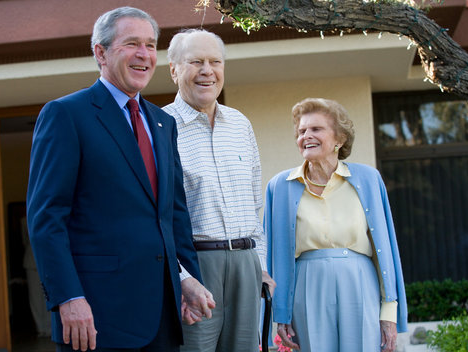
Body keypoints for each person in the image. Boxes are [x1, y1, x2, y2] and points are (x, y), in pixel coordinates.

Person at [26, 7, 215, 352]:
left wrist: (187, 280)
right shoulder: (66, 115)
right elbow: (46, 220)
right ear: (100, 52)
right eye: (131, 44)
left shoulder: (162, 123)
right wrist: (68, 297)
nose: (144, 54)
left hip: (161, 314)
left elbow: (173, 215)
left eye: (150, 45)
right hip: (95, 318)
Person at [264, 98, 408, 352]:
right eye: (301, 131)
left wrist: (389, 311)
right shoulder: (280, 186)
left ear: (339, 139)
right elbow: (272, 255)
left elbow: (385, 249)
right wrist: (281, 315)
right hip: (307, 284)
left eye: (316, 129)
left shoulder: (368, 179)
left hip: (360, 281)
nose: (306, 135)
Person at [162, 29, 276, 352]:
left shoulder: (240, 124)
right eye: (195, 62)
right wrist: (183, 277)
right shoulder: (160, 126)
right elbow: (159, 218)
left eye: (215, 62)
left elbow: (255, 206)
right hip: (196, 265)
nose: (207, 71)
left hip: (245, 265)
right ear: (174, 69)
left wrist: (261, 266)